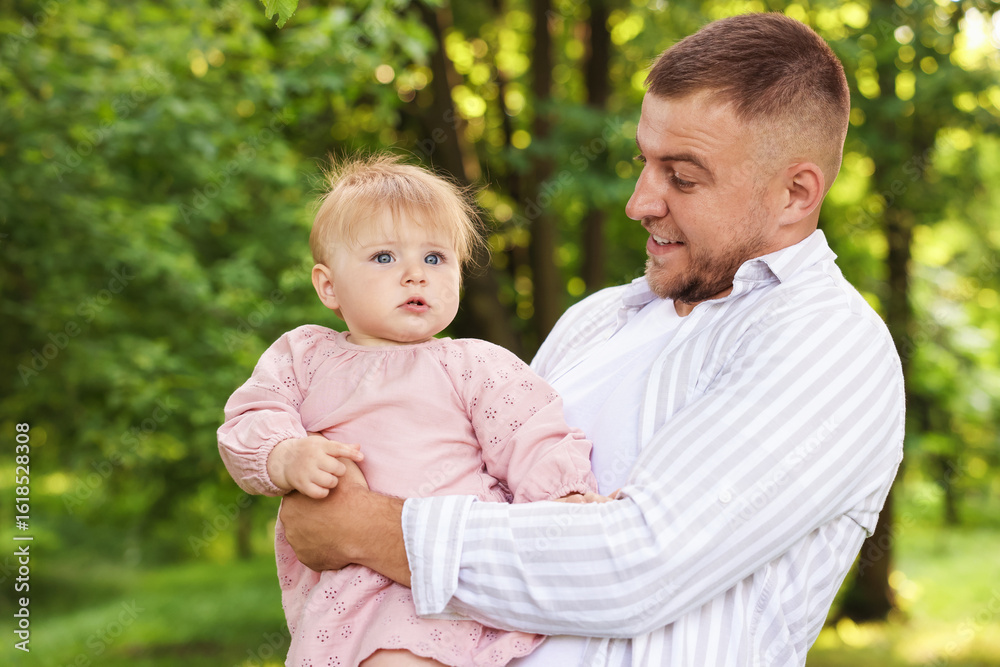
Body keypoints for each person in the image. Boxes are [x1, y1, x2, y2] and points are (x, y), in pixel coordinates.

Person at [279, 13, 905, 667]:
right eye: (644, 163)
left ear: (795, 193)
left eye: (683, 177)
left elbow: (635, 565)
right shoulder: (598, 320)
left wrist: (365, 526)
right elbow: (480, 485)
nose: (640, 202)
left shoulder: (829, 343)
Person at [217, 154, 599, 667]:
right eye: (384, 257)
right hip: (347, 583)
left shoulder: (474, 364)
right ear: (328, 285)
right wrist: (285, 454)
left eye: (435, 258)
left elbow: (531, 433)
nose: (415, 275)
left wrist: (565, 497)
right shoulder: (305, 356)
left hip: (445, 576)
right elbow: (249, 417)